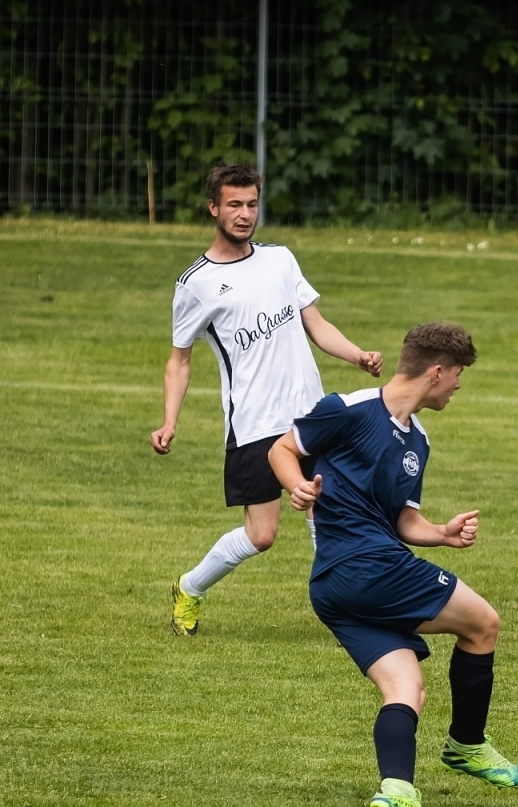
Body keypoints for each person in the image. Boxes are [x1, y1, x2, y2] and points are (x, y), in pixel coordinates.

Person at [269, 322, 518, 807]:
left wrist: (442, 533)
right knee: (483, 623)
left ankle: (398, 794)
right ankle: (467, 744)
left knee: (405, 688)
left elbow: (404, 521)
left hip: (335, 588)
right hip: (368, 566)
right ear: (436, 372)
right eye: (456, 376)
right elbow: (282, 449)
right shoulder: (349, 408)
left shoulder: (419, 442)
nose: (458, 386)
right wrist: (297, 488)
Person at [151, 162, 382, 636]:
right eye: (234, 204)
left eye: (252, 204)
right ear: (213, 207)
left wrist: (357, 354)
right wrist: (170, 421)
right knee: (263, 535)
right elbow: (180, 360)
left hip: (312, 415)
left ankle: (349, 610)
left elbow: (316, 325)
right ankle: (190, 588)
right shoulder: (195, 283)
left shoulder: (280, 259)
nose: (244, 214)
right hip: (254, 423)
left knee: (328, 505)